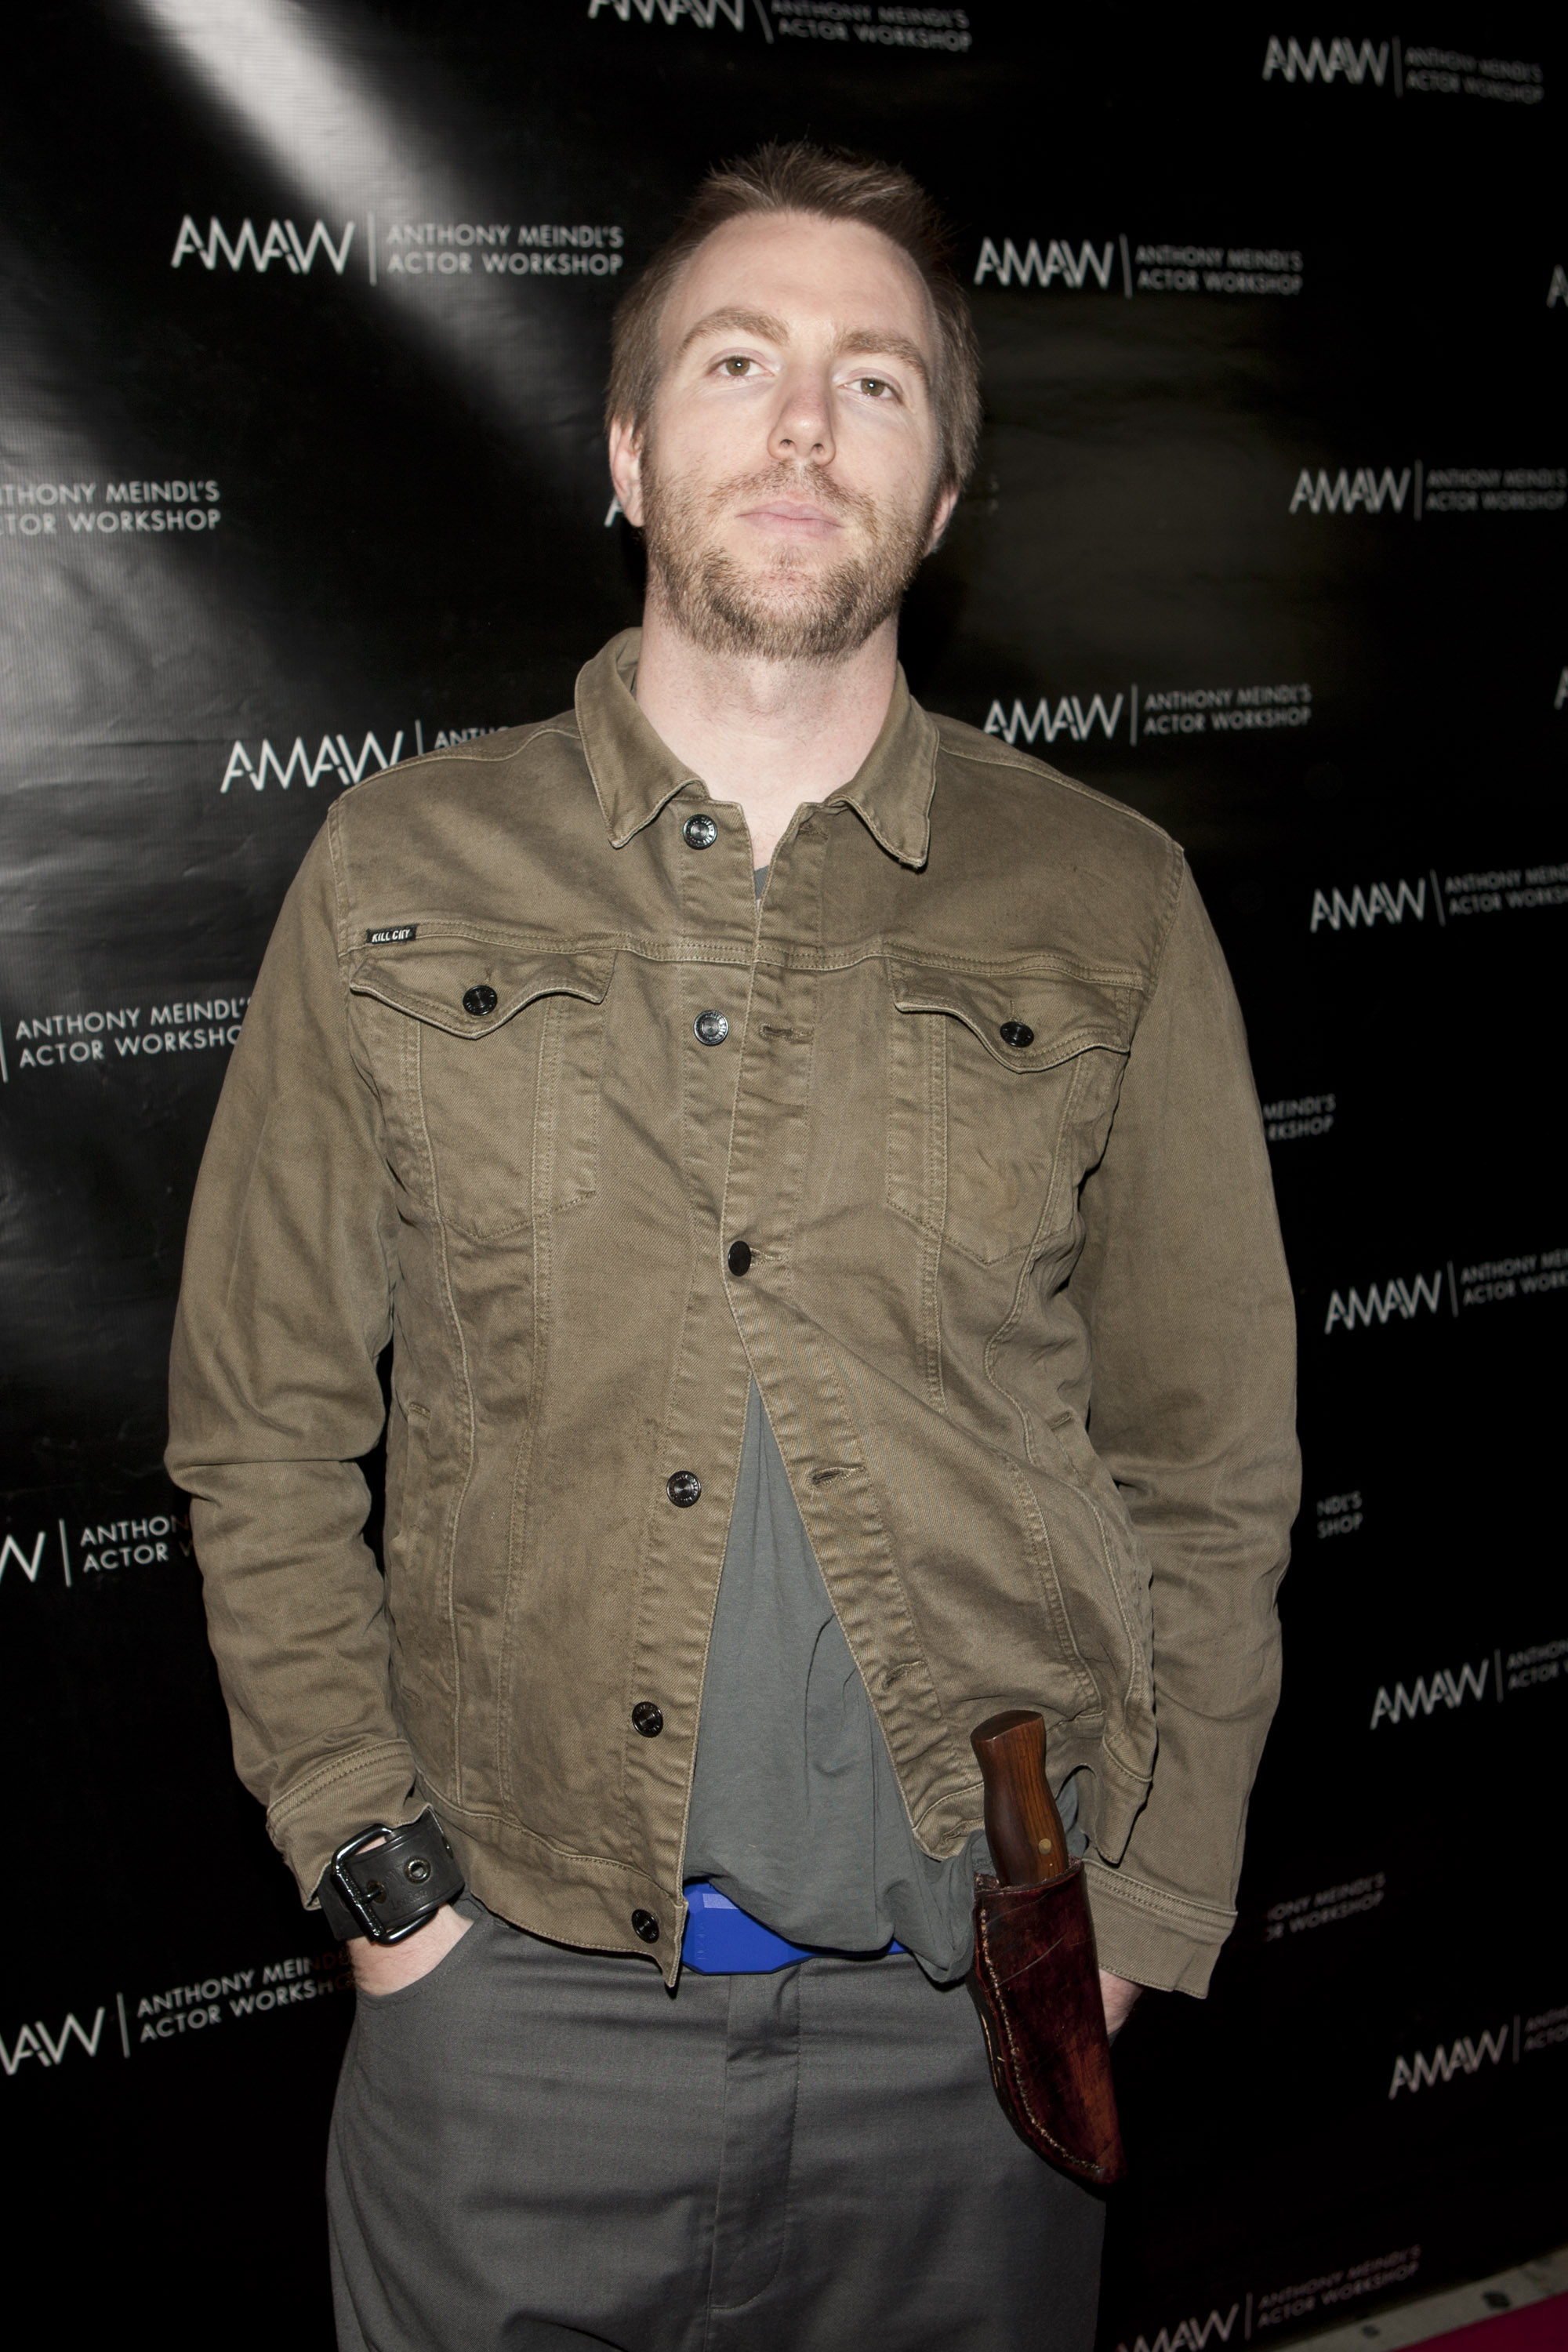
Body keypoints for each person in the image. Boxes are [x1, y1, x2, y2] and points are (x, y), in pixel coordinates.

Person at [167, 141, 1298, 2352]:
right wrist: (380, 1885)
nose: (804, 422)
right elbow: (262, 1417)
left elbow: (1211, 1453)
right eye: (741, 359)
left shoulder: (1110, 901)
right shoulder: (400, 867)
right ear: (624, 449)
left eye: (878, 384)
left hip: (972, 2041)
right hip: (513, 2042)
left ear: (944, 494)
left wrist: (1156, 1898)